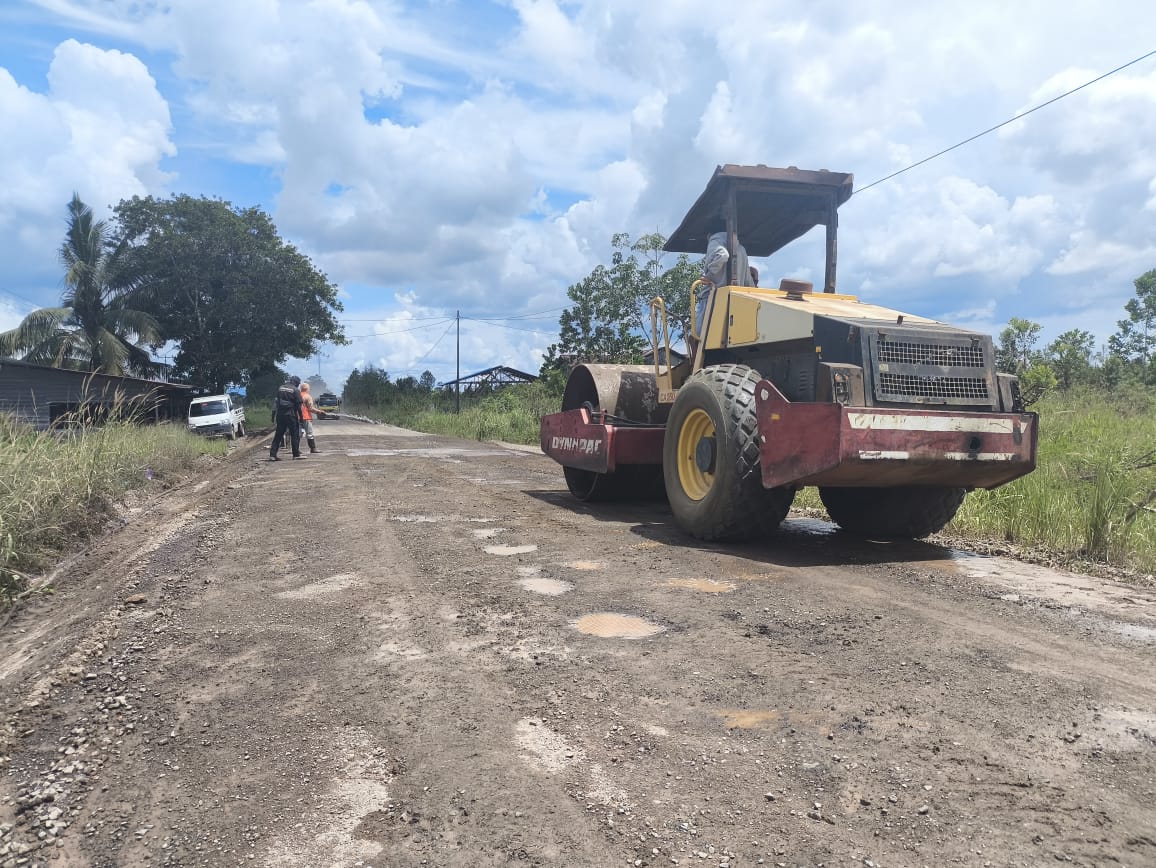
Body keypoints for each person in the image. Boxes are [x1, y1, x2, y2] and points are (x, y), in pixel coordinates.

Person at [695, 220, 752, 341]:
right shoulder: (741, 249)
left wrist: (708, 276)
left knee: (699, 336)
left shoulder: (715, 240)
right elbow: (749, 282)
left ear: (709, 235)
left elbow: (722, 255)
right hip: (736, 305)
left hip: (714, 301)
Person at [269, 376, 304, 461]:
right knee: (294, 434)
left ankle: (272, 455)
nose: (298, 385)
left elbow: (277, 403)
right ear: (296, 382)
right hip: (291, 415)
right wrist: (301, 418)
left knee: (278, 435)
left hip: (280, 415)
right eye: (298, 384)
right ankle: (296, 455)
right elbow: (299, 407)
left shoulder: (281, 388)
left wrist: (273, 416)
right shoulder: (295, 390)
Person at [298, 382, 321, 454]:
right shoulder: (308, 396)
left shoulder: (297, 395)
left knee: (298, 434)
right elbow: (310, 408)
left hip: (297, 417)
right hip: (306, 417)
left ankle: (296, 449)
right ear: (307, 389)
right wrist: (319, 412)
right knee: (309, 433)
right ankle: (313, 448)